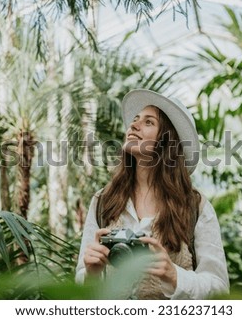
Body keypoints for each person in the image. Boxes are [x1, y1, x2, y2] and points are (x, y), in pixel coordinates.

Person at [75, 89, 229, 299]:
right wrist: (92, 274)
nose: (134, 125)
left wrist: (174, 276)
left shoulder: (196, 206)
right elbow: (82, 287)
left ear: (168, 142)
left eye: (148, 122)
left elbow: (219, 288)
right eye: (136, 119)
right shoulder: (103, 201)